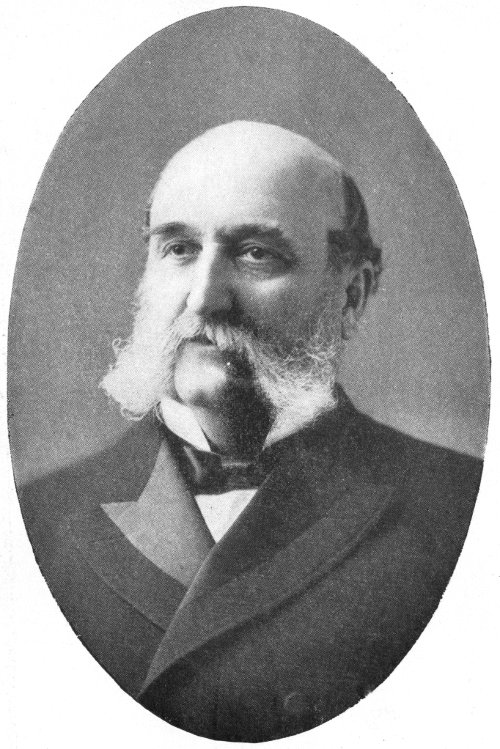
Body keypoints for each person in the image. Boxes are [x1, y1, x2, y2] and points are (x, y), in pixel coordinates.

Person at [19, 121, 482, 741]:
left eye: (256, 253)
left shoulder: (459, 511)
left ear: (352, 293)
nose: (205, 298)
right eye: (179, 248)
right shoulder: (38, 519)